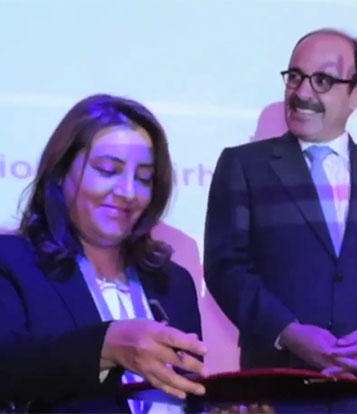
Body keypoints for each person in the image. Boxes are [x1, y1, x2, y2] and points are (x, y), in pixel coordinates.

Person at [204, 29, 357, 413]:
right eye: (295, 76)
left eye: (322, 80)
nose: (302, 92)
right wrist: (287, 332)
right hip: (276, 387)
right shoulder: (243, 166)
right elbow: (226, 267)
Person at [0, 94, 207, 413]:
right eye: (108, 170)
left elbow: (187, 394)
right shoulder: (13, 262)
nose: (128, 192)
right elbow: (10, 366)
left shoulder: (174, 283)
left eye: (144, 178)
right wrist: (105, 346)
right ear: (61, 172)